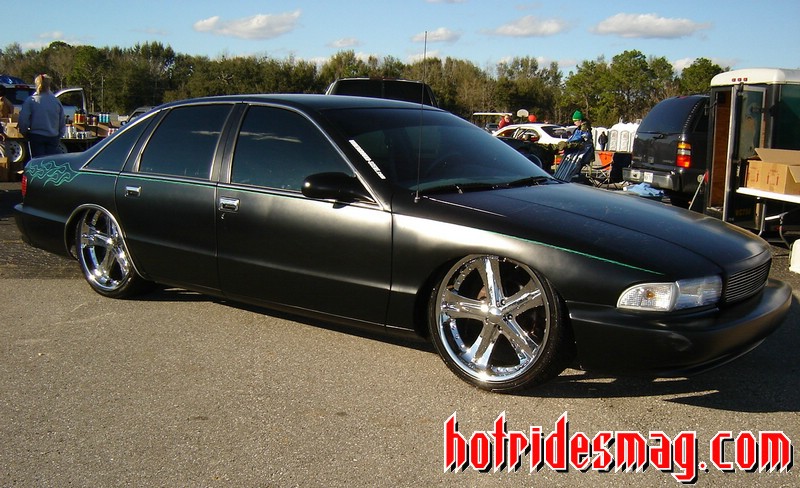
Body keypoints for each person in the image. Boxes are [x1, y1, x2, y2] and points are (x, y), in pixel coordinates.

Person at [18, 74, 66, 158]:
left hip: (36, 136)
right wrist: (60, 134)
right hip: (53, 136)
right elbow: (62, 119)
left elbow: (23, 119)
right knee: (51, 162)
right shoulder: (56, 101)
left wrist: (24, 131)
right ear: (49, 85)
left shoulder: (31, 101)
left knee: (38, 162)